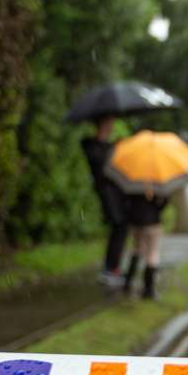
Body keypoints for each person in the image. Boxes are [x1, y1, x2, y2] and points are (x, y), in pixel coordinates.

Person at [80, 116, 128, 284]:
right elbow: (103, 167)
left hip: (116, 192)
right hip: (107, 192)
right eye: (109, 124)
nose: (112, 127)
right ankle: (110, 269)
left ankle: (112, 266)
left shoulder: (109, 146)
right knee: (119, 225)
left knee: (121, 227)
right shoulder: (91, 146)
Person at [122, 188, 168, 299]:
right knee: (152, 253)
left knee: (137, 249)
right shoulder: (156, 183)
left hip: (136, 222)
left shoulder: (134, 182)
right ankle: (148, 289)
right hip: (152, 221)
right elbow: (165, 201)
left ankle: (128, 282)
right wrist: (156, 207)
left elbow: (127, 200)